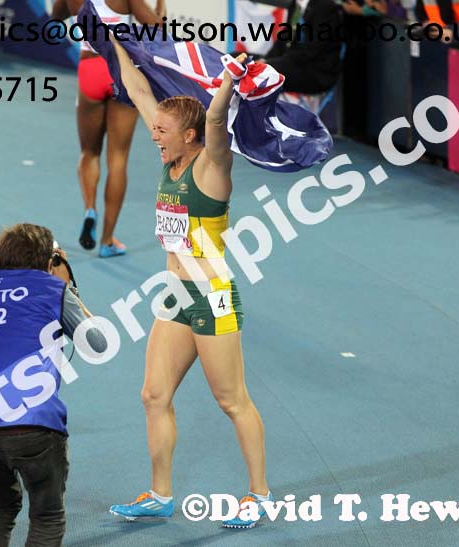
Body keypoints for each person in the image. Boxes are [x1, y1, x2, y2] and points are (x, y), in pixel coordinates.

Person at [107, 43, 272, 529]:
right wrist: (111, 34)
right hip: (175, 296)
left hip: (213, 296)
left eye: (163, 131)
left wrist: (227, 81)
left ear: (191, 135)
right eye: (155, 129)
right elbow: (137, 90)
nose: (154, 136)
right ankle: (160, 493)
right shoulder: (170, 159)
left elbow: (219, 122)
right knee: (153, 395)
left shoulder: (210, 167)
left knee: (231, 400)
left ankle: (259, 494)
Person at [0, 223, 106, 547]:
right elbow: (98, 343)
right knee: (47, 516)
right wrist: (68, 289)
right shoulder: (51, 288)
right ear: (49, 262)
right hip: (33, 424)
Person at [53, 0, 165, 257]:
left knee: (89, 152)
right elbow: (157, 29)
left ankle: (90, 208)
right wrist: (160, 12)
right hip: (120, 72)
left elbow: (55, 16)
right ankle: (106, 241)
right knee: (118, 159)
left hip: (90, 70)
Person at [265, 0, 345, 94]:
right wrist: (264, 61)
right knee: (257, 70)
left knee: (266, 74)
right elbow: (284, 39)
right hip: (296, 62)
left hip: (317, 72)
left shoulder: (326, 6)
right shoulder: (295, 5)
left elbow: (313, 50)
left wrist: (271, 64)